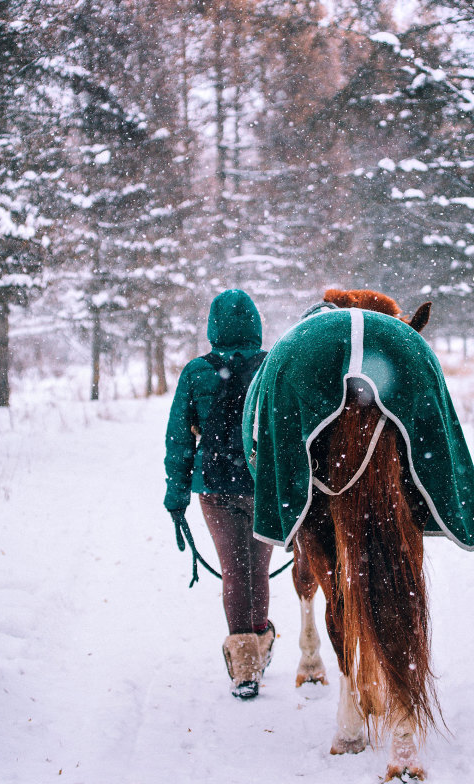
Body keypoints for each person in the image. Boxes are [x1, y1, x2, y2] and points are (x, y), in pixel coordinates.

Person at [164, 289, 274, 700]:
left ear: (213, 327)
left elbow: (179, 441)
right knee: (257, 570)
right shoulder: (271, 366)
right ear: (255, 325)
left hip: (215, 488)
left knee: (234, 570)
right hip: (263, 485)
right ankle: (261, 644)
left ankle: (244, 668)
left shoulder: (196, 372)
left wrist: (176, 498)